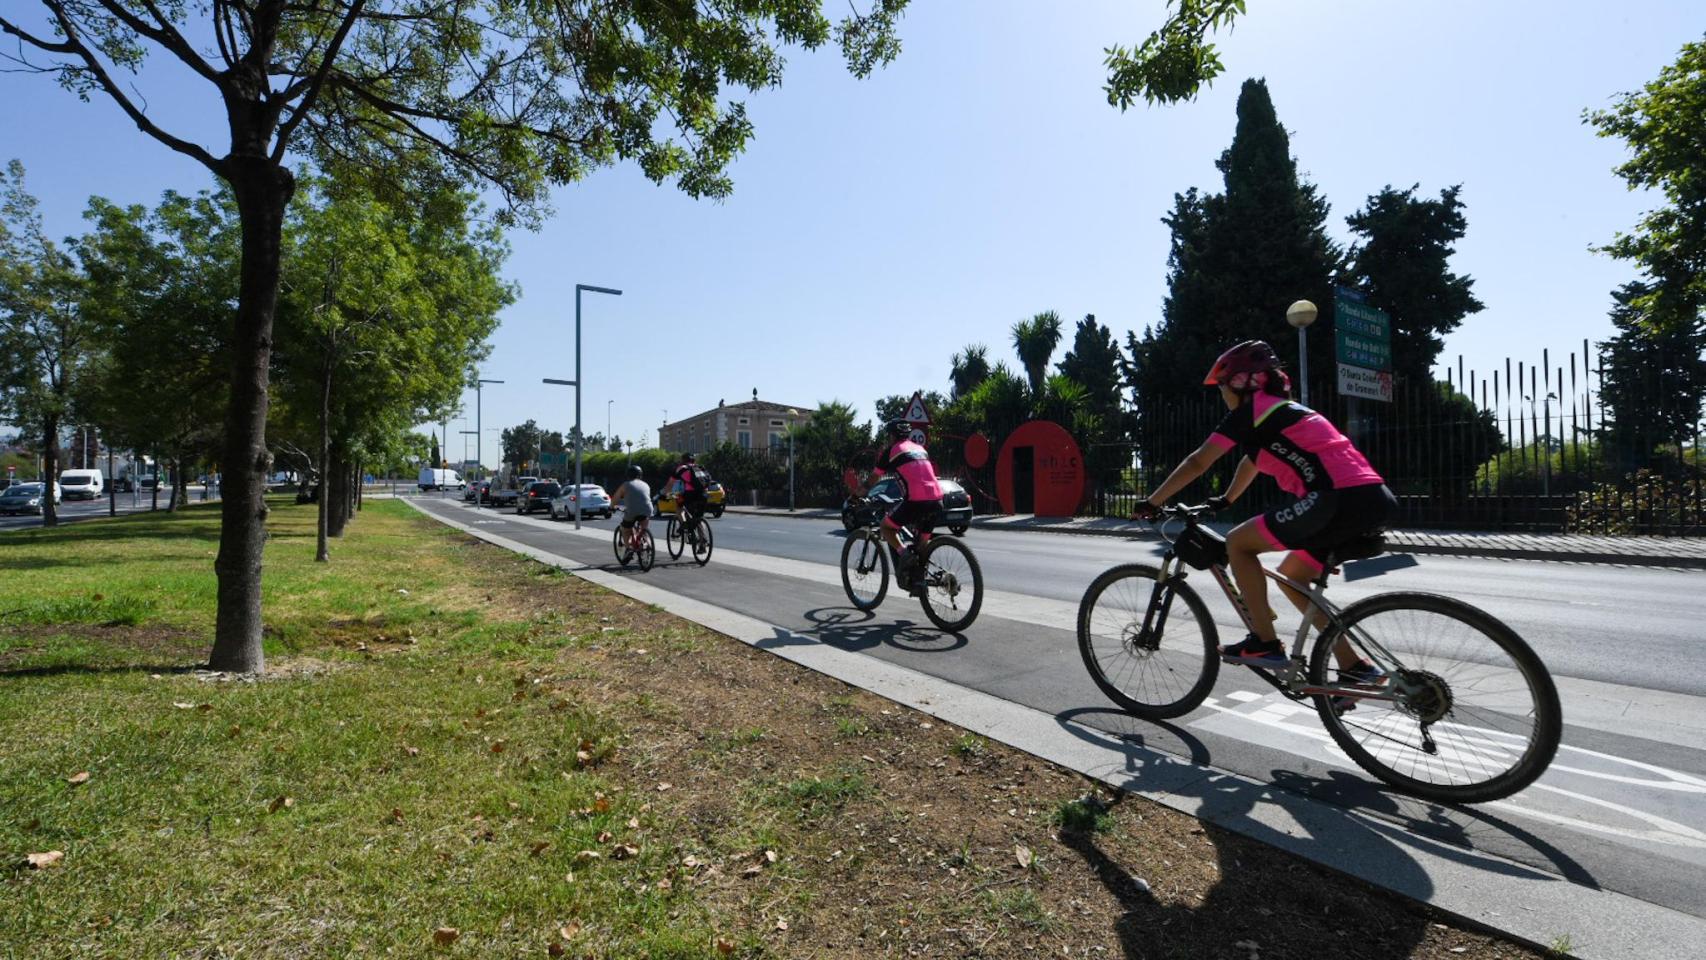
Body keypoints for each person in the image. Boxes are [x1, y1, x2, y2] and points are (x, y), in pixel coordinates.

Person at [1134, 340, 1396, 687]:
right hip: (1373, 498)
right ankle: (1355, 668)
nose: (1222, 395)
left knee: (1238, 543)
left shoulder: (1253, 410)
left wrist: (1152, 502)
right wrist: (1226, 500)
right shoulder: (1282, 415)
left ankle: (1265, 643)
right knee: (1294, 576)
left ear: (1242, 383)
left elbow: (1199, 461)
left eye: (1223, 387)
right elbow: (1251, 461)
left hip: (1334, 499)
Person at [869, 419, 944, 595]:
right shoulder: (920, 449)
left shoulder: (891, 451)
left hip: (916, 501)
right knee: (921, 545)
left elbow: (873, 479)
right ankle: (919, 581)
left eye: (889, 436)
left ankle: (904, 554)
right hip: (937, 499)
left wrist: (856, 495)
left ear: (892, 436)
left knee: (886, 527)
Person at [612, 464, 652, 558]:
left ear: (628, 475)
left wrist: (611, 507)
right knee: (643, 531)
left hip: (632, 511)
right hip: (647, 510)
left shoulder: (625, 485)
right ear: (640, 475)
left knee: (625, 529)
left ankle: (628, 549)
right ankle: (648, 546)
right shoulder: (645, 484)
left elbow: (615, 498)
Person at [671, 453, 711, 537]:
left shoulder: (681, 469)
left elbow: (671, 484)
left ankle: (684, 524)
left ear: (683, 461)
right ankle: (703, 540)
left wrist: (663, 494)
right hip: (703, 495)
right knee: (698, 518)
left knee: (679, 507)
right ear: (694, 460)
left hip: (689, 495)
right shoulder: (701, 468)